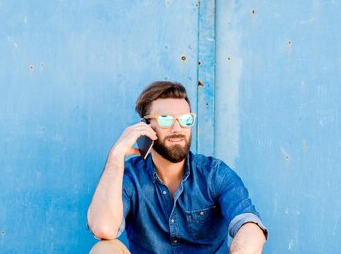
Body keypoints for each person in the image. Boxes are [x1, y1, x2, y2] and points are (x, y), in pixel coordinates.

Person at [87, 81, 267, 253]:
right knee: (104, 249)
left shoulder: (215, 174)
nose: (177, 128)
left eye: (186, 120)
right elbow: (104, 228)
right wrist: (116, 156)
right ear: (145, 126)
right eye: (165, 119)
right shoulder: (130, 176)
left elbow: (249, 224)